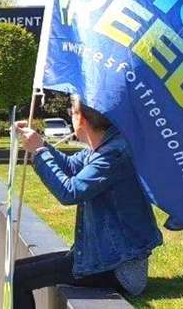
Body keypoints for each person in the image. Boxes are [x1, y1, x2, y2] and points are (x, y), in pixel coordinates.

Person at [11, 95, 162, 308]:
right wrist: (38, 142)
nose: (69, 115)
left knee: (20, 277)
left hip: (118, 269)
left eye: (71, 111)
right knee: (17, 271)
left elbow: (70, 192)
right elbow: (71, 166)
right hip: (104, 257)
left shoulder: (114, 154)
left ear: (81, 119)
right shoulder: (105, 146)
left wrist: (39, 151)